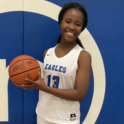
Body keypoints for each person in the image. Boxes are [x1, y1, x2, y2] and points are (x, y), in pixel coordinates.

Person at [22, 2, 91, 124]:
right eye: (68, 21)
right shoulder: (47, 53)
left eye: (78, 24)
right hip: (43, 114)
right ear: (60, 22)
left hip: (66, 119)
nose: (71, 27)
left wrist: (44, 88)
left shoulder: (83, 56)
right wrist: (34, 84)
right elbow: (45, 82)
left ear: (82, 28)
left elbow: (79, 94)